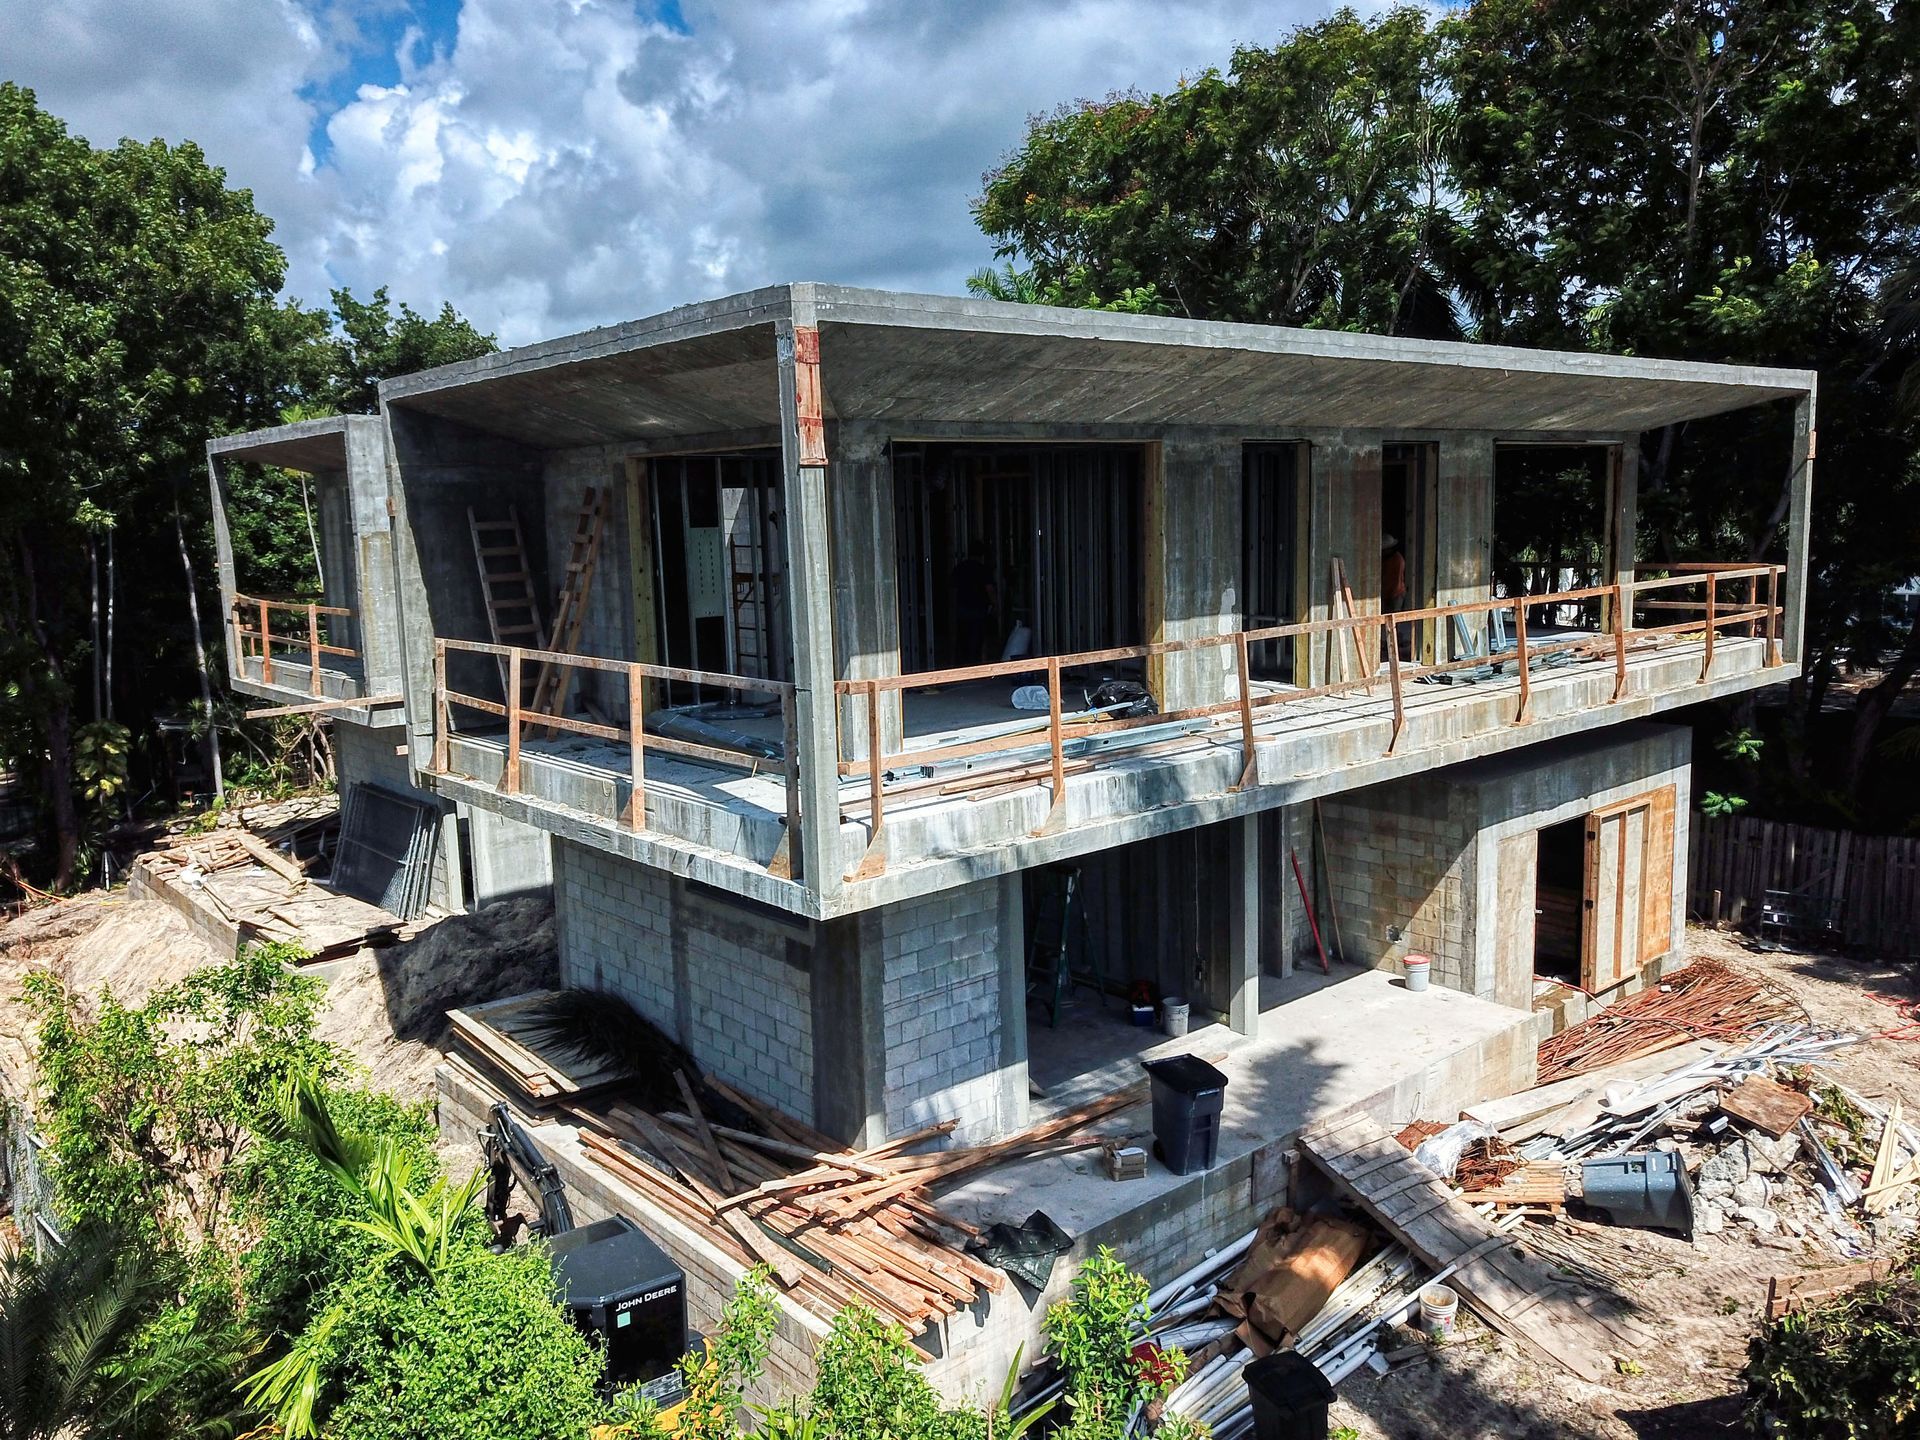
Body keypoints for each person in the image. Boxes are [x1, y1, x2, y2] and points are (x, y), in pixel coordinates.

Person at [949, 546, 997, 666]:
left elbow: (953, 590)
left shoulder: (960, 568)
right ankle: (976, 664)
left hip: (962, 609)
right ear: (981, 556)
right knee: (978, 639)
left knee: (963, 638)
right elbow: (989, 589)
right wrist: (995, 605)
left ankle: (963, 664)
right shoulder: (983, 569)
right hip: (978, 609)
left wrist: (953, 608)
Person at [1382, 535, 1410, 661]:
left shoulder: (1396, 560)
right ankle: (1391, 643)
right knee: (1390, 620)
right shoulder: (1389, 559)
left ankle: (1393, 646)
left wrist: (1389, 595)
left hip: (1395, 593)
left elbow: (1395, 581)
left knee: (1393, 620)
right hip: (1391, 592)